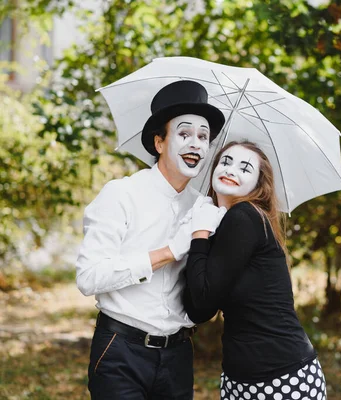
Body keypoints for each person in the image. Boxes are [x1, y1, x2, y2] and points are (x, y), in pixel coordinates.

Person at [75, 79, 226, 399]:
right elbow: (89, 277)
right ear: (159, 142)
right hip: (120, 352)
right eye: (184, 134)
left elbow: (205, 290)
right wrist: (169, 251)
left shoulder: (205, 208)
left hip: (178, 356)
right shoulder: (121, 194)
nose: (196, 144)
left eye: (204, 137)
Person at [182, 140, 328, 400]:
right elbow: (197, 309)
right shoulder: (222, 224)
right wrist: (203, 231)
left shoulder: (245, 217)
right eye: (225, 162)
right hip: (239, 378)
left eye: (245, 168)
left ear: (259, 185)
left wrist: (199, 233)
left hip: (282, 377)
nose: (231, 170)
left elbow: (202, 300)